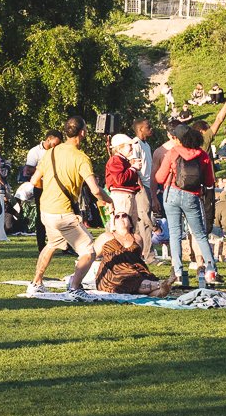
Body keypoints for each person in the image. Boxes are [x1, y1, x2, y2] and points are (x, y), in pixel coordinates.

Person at [27, 117, 102, 297]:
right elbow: (95, 189)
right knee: (89, 251)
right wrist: (108, 200)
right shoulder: (81, 158)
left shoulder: (50, 153)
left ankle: (36, 283)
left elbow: (34, 180)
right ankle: (75, 288)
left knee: (52, 244)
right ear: (82, 132)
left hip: (46, 209)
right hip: (63, 212)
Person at [153, 127, 221, 289]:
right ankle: (211, 270)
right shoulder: (202, 155)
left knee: (175, 234)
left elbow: (160, 177)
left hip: (172, 194)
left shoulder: (173, 153)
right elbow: (210, 182)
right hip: (192, 196)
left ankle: (178, 272)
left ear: (179, 139)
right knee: (199, 234)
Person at [92, 213, 173, 296]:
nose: (120, 218)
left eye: (124, 216)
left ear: (131, 224)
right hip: (113, 273)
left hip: (135, 270)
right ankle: (160, 284)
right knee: (128, 280)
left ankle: (161, 290)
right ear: (114, 224)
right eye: (117, 217)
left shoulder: (137, 238)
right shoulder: (106, 237)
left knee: (140, 280)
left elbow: (138, 257)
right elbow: (91, 255)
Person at [104, 134, 155, 264]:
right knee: (122, 227)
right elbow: (119, 179)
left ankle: (128, 256)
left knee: (130, 226)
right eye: (129, 145)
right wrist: (133, 168)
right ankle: (119, 256)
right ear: (120, 148)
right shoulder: (115, 160)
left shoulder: (122, 160)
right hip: (121, 197)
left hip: (127, 196)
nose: (132, 148)